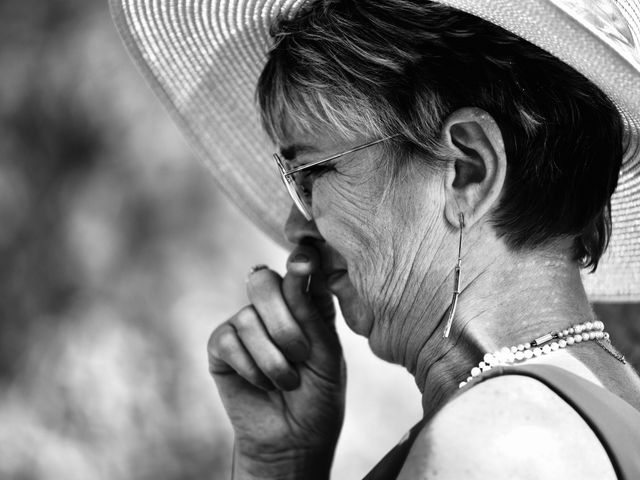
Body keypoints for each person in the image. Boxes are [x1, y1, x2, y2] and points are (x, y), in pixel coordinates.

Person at [111, 0, 640, 478]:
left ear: (467, 169)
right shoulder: (599, 404)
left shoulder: (495, 445)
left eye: (312, 174)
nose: (298, 229)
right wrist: (284, 464)